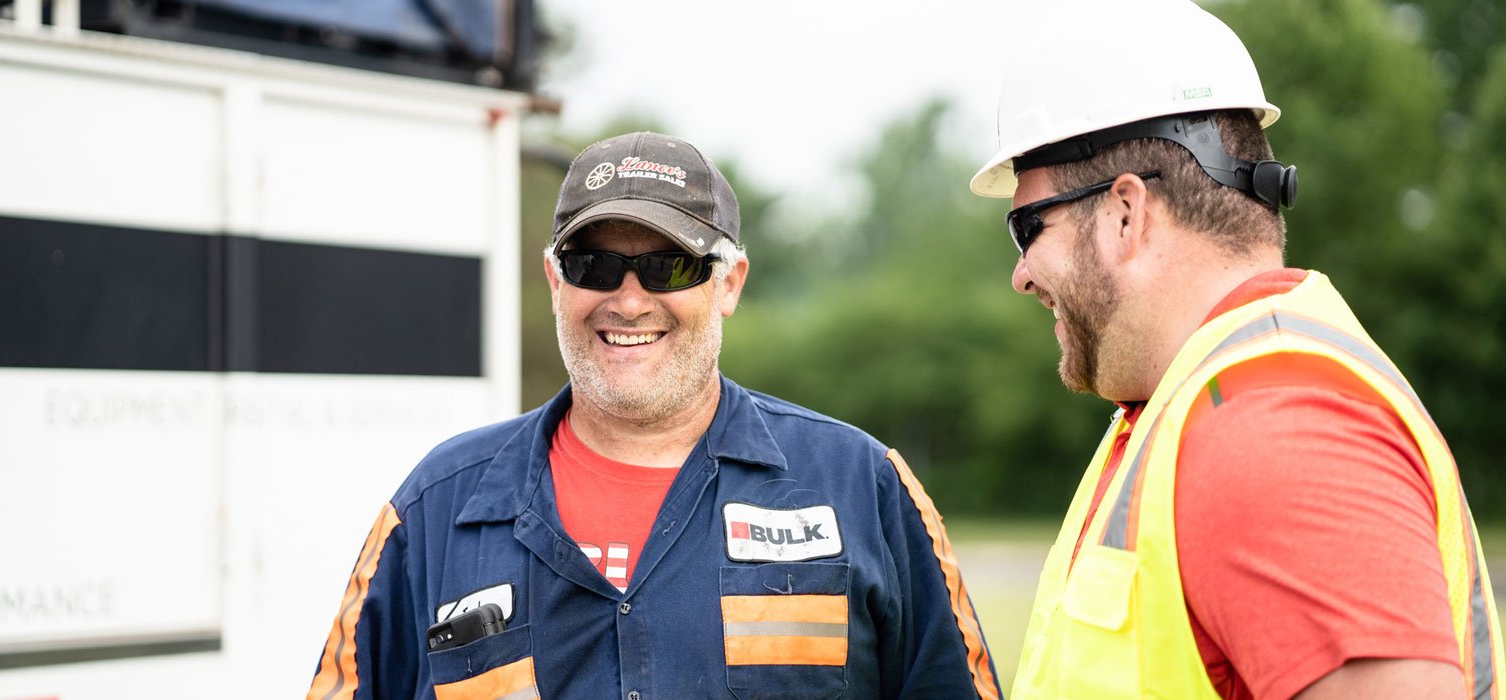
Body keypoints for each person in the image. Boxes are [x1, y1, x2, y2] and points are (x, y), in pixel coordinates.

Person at [306, 131, 1003, 699]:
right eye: (595, 266)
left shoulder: (861, 485)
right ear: (556, 281)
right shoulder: (435, 509)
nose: (630, 301)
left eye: (670, 266)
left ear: (729, 283)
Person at [967, 1, 1504, 699]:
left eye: (1027, 227)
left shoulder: (1272, 425)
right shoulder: (1198, 403)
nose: (1022, 275)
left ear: (1126, 213)